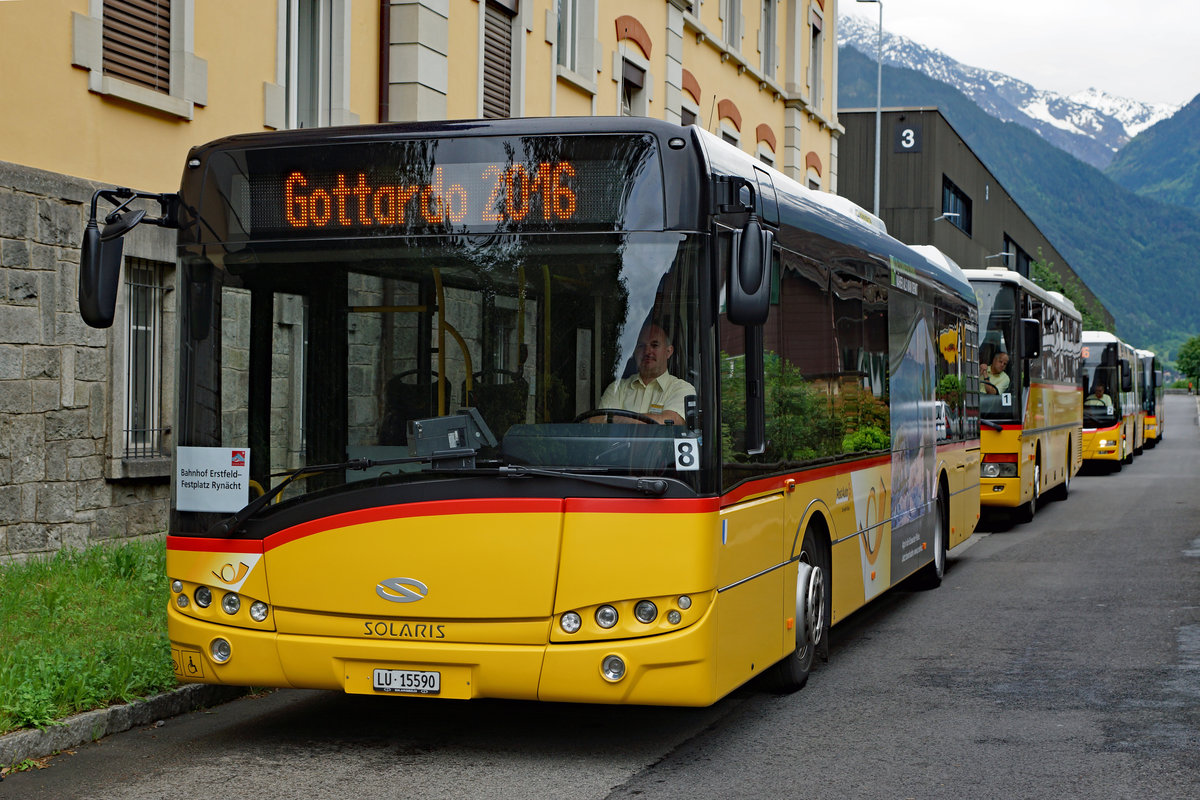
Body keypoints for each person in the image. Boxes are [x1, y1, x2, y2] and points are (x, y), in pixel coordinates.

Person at [592, 323, 696, 424]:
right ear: (635, 351)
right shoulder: (617, 388)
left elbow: (671, 421)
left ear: (668, 351)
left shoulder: (682, 389)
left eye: (654, 345)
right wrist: (653, 420)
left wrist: (615, 419)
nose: (647, 351)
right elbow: (597, 421)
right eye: (641, 346)